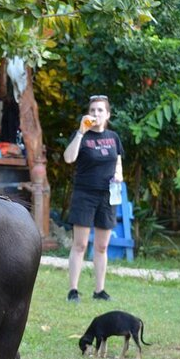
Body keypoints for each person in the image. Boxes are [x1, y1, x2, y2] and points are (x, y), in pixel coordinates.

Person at [63, 95, 124, 302]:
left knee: (102, 246)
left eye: (100, 110)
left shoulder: (114, 137)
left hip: (107, 196)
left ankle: (99, 291)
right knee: (80, 245)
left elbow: (117, 162)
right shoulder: (83, 136)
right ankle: (73, 290)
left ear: (107, 114)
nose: (96, 114)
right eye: (93, 110)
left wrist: (119, 175)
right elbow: (68, 158)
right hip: (85, 195)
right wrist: (81, 132)